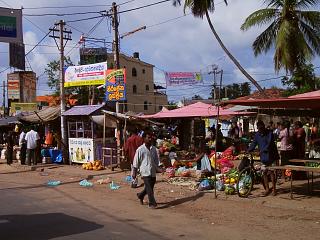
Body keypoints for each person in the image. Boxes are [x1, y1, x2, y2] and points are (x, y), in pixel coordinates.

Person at [248, 121, 279, 196]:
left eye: (261, 128)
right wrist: (248, 150)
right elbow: (253, 143)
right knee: (264, 173)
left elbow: (269, 144)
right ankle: (267, 189)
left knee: (271, 172)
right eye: (259, 129)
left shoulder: (269, 133)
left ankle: (274, 189)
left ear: (264, 126)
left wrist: (261, 151)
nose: (260, 130)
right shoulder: (257, 135)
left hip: (271, 156)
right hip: (264, 157)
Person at [133, 131, 161, 209]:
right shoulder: (140, 149)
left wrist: (159, 168)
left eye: (151, 138)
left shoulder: (154, 149)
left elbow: (156, 160)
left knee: (149, 188)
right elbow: (136, 161)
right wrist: (134, 173)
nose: (150, 139)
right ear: (144, 138)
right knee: (149, 188)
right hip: (144, 171)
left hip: (152, 171)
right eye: (148, 137)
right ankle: (152, 203)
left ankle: (140, 195)